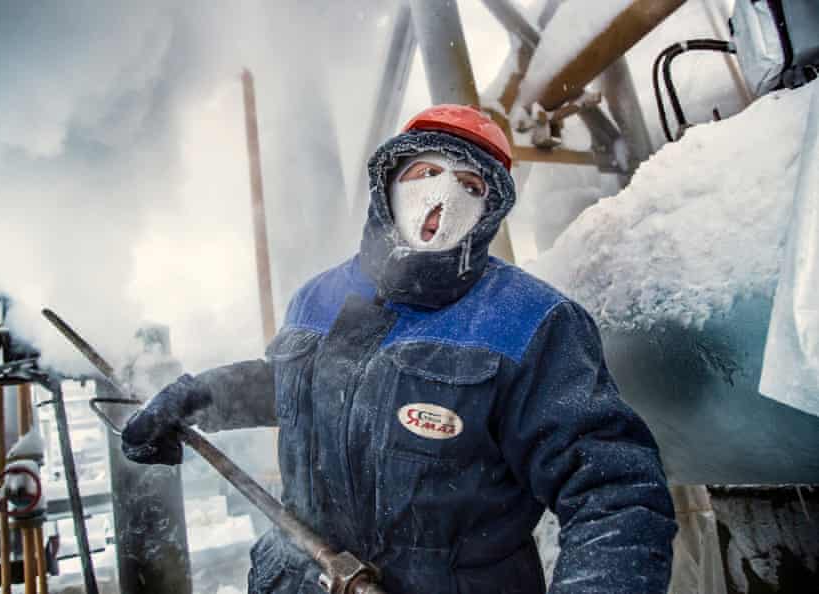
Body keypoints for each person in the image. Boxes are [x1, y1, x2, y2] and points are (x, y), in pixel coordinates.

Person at [120, 104, 678, 593]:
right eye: (427, 171)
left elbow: (612, 490)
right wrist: (195, 400)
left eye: (471, 185)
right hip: (297, 578)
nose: (444, 193)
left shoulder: (532, 322)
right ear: (388, 184)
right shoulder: (320, 296)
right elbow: (293, 386)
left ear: (490, 213)